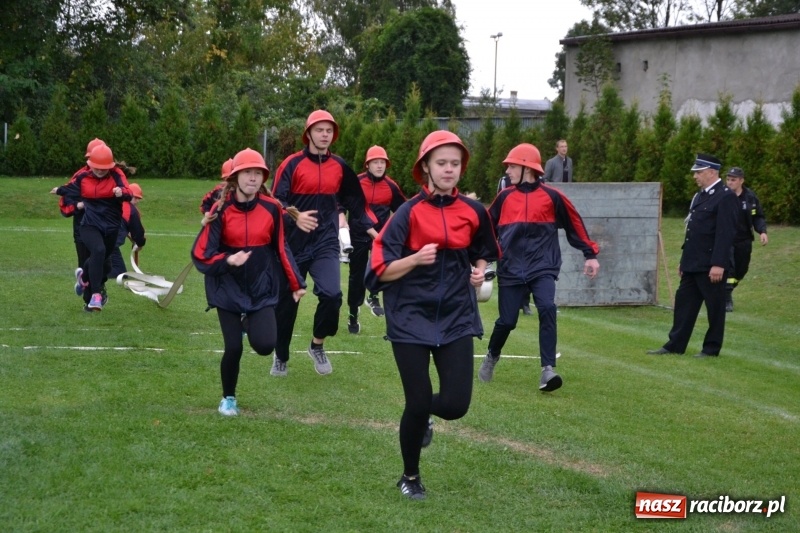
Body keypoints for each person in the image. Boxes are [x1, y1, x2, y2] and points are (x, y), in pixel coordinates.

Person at [365, 130, 500, 500]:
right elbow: (376, 272)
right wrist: (414, 259)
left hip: (456, 315)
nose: (449, 170)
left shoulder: (474, 212)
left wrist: (480, 269)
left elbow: (484, 250)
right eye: (441, 163)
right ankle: (410, 476)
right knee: (418, 397)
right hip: (409, 316)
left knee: (456, 405)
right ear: (425, 167)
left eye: (455, 164)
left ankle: (424, 414)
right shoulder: (407, 213)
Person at [191, 148, 306, 416]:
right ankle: (228, 398)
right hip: (227, 289)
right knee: (233, 347)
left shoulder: (271, 209)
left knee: (266, 345)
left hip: (260, 287)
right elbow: (201, 254)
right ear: (235, 177)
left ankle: (248, 322)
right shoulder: (220, 210)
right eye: (247, 173)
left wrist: (296, 283)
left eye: (258, 173)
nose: (253, 178)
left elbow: (282, 248)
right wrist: (227, 261)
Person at [479, 143, 600, 391]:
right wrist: (479, 258)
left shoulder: (552, 197)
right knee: (507, 321)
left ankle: (547, 371)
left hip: (543, 266)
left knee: (547, 307)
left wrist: (590, 254)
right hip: (511, 269)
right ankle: (492, 355)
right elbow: (486, 229)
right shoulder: (504, 197)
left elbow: (574, 223)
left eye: (512, 166)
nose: (508, 171)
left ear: (526, 168)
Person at [270, 110, 377, 376]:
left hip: (325, 243)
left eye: (329, 130)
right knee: (287, 304)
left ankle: (317, 344)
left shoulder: (340, 167)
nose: (325, 135)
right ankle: (281, 355)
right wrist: (295, 216)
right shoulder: (291, 164)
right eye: (320, 130)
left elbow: (356, 203)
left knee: (332, 295)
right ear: (308, 134)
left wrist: (376, 232)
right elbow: (276, 203)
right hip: (293, 245)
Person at [647, 153, 738, 357]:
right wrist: (684, 261)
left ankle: (711, 348)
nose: (695, 176)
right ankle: (675, 345)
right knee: (684, 304)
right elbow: (692, 232)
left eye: (699, 172)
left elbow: (725, 234)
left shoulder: (725, 196)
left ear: (712, 172)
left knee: (715, 309)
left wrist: (718, 264)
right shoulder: (700, 196)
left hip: (711, 265)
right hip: (692, 262)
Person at [51, 144, 132, 311]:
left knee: (105, 262)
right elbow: (70, 188)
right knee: (99, 250)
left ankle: (84, 277)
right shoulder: (83, 177)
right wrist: (59, 190)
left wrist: (120, 192)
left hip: (111, 227)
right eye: (97, 168)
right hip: (89, 225)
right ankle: (95, 296)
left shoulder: (116, 175)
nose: (100, 171)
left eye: (104, 168)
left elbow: (129, 192)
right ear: (90, 164)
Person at [345, 145, 406, 333]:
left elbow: (404, 210)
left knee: (383, 268)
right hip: (358, 235)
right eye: (376, 162)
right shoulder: (356, 182)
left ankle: (373, 296)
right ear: (367, 165)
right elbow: (342, 203)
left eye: (382, 162)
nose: (380, 166)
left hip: (381, 236)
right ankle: (353, 315)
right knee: (356, 277)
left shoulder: (391, 186)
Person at [723, 166, 768, 312]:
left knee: (741, 269)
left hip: (744, 240)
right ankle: (726, 297)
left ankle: (724, 290)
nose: (730, 182)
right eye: (728, 179)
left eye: (733, 180)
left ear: (741, 181)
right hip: (726, 239)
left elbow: (757, 216)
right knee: (729, 268)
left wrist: (762, 231)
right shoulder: (722, 196)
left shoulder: (750, 197)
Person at [58, 138, 106, 269]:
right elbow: (65, 203)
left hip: (103, 227)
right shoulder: (80, 176)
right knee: (85, 265)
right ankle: (87, 286)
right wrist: (78, 206)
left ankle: (99, 287)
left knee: (102, 262)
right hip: (82, 227)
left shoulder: (112, 177)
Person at [496, 171, 533, 316]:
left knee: (529, 270)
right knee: (509, 270)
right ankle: (511, 304)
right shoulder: (504, 181)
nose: (509, 170)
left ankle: (525, 303)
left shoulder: (538, 180)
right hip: (509, 233)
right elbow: (499, 204)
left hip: (528, 234)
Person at [109, 182, 146, 278]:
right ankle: (94, 274)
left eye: (138, 198)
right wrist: (140, 243)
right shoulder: (131, 210)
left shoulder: (115, 202)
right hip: (110, 244)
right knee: (120, 273)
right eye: (135, 198)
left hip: (101, 241)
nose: (136, 201)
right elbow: (138, 231)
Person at [200, 158, 234, 226]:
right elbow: (205, 202)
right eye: (228, 178)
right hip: (219, 226)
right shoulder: (218, 191)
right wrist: (207, 213)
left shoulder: (244, 193)